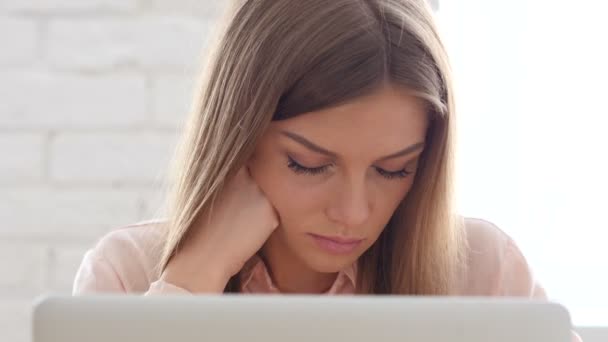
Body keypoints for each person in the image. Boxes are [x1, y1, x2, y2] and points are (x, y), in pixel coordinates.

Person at [72, 0, 581, 340]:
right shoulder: (127, 274)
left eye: (393, 171)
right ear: (239, 141)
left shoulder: (483, 272)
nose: (353, 213)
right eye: (308, 165)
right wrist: (195, 277)